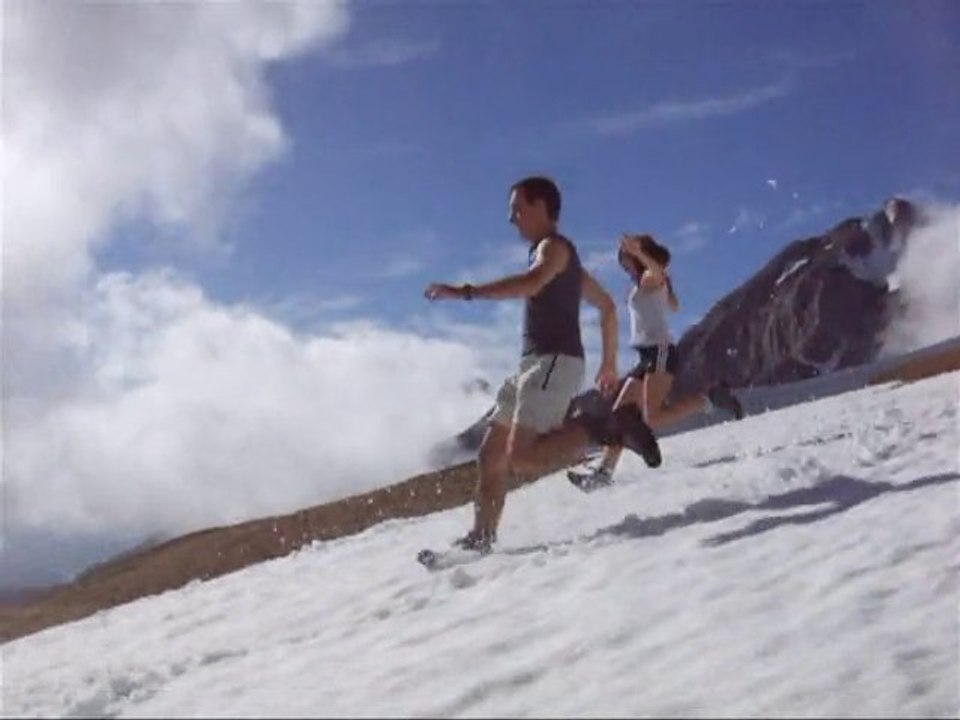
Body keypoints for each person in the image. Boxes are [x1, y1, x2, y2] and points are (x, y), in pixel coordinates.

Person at [424, 177, 661, 552]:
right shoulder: (564, 257)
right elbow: (607, 306)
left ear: (540, 208)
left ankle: (610, 427)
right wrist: (609, 364)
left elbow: (532, 283)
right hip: (534, 365)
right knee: (491, 455)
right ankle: (481, 537)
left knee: (522, 457)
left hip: (553, 362)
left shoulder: (552, 249)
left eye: (517, 208)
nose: (511, 217)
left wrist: (465, 292)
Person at [567, 233, 744, 492]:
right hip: (646, 356)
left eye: (626, 264)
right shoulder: (645, 283)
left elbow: (657, 271)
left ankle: (713, 399)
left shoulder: (653, 279)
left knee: (653, 417)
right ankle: (603, 473)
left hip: (660, 353)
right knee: (620, 416)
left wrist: (638, 251)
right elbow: (670, 301)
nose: (625, 270)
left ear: (639, 259)